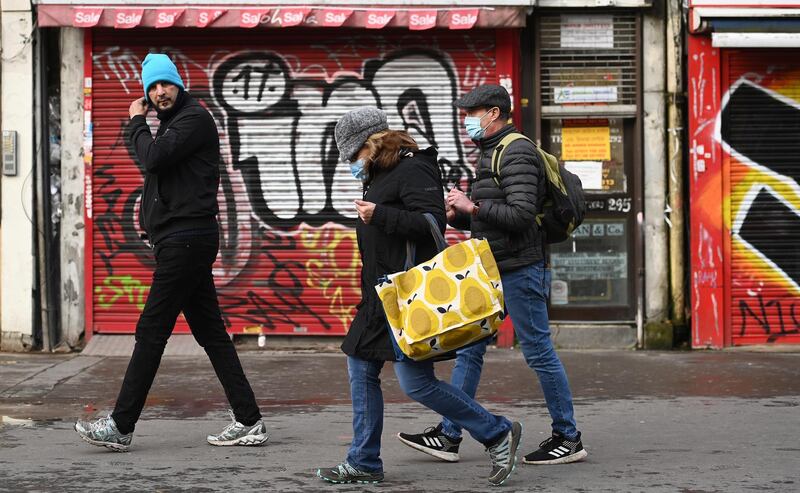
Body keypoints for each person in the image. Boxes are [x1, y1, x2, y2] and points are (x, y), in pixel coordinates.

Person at [316, 107, 522, 486]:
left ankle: (496, 432)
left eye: (354, 155)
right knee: (360, 368)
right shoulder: (381, 173)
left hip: (406, 296)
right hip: (380, 296)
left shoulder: (414, 168)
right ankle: (363, 461)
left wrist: (379, 215)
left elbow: (430, 224)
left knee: (416, 384)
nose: (352, 164)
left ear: (373, 143)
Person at [75, 53, 267, 451]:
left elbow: (151, 159)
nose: (160, 92)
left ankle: (121, 425)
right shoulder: (172, 124)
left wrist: (134, 120)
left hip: (187, 240)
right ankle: (249, 420)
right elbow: (158, 167)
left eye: (165, 84)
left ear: (179, 84)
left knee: (151, 331)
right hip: (181, 240)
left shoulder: (193, 118)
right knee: (211, 333)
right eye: (152, 87)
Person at [397, 84, 588, 466]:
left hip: (520, 268)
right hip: (491, 267)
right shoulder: (490, 151)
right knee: (469, 348)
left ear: (495, 113)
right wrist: (463, 214)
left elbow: (519, 217)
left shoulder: (515, 150)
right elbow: (495, 214)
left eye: (473, 112)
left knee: (538, 352)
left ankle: (568, 436)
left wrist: (473, 206)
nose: (467, 119)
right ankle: (450, 433)